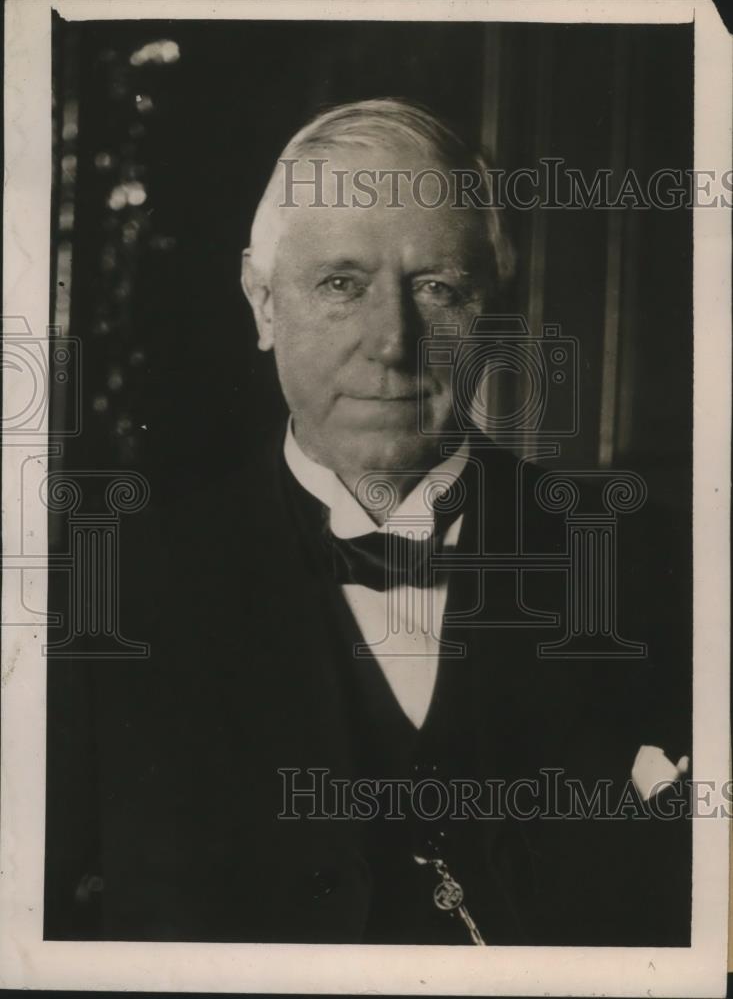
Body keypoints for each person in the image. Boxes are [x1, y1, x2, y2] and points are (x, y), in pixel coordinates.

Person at [45, 99, 691, 946]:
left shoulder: (657, 568)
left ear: (490, 309)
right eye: (340, 284)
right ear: (262, 301)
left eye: (436, 287)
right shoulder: (108, 588)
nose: (393, 341)